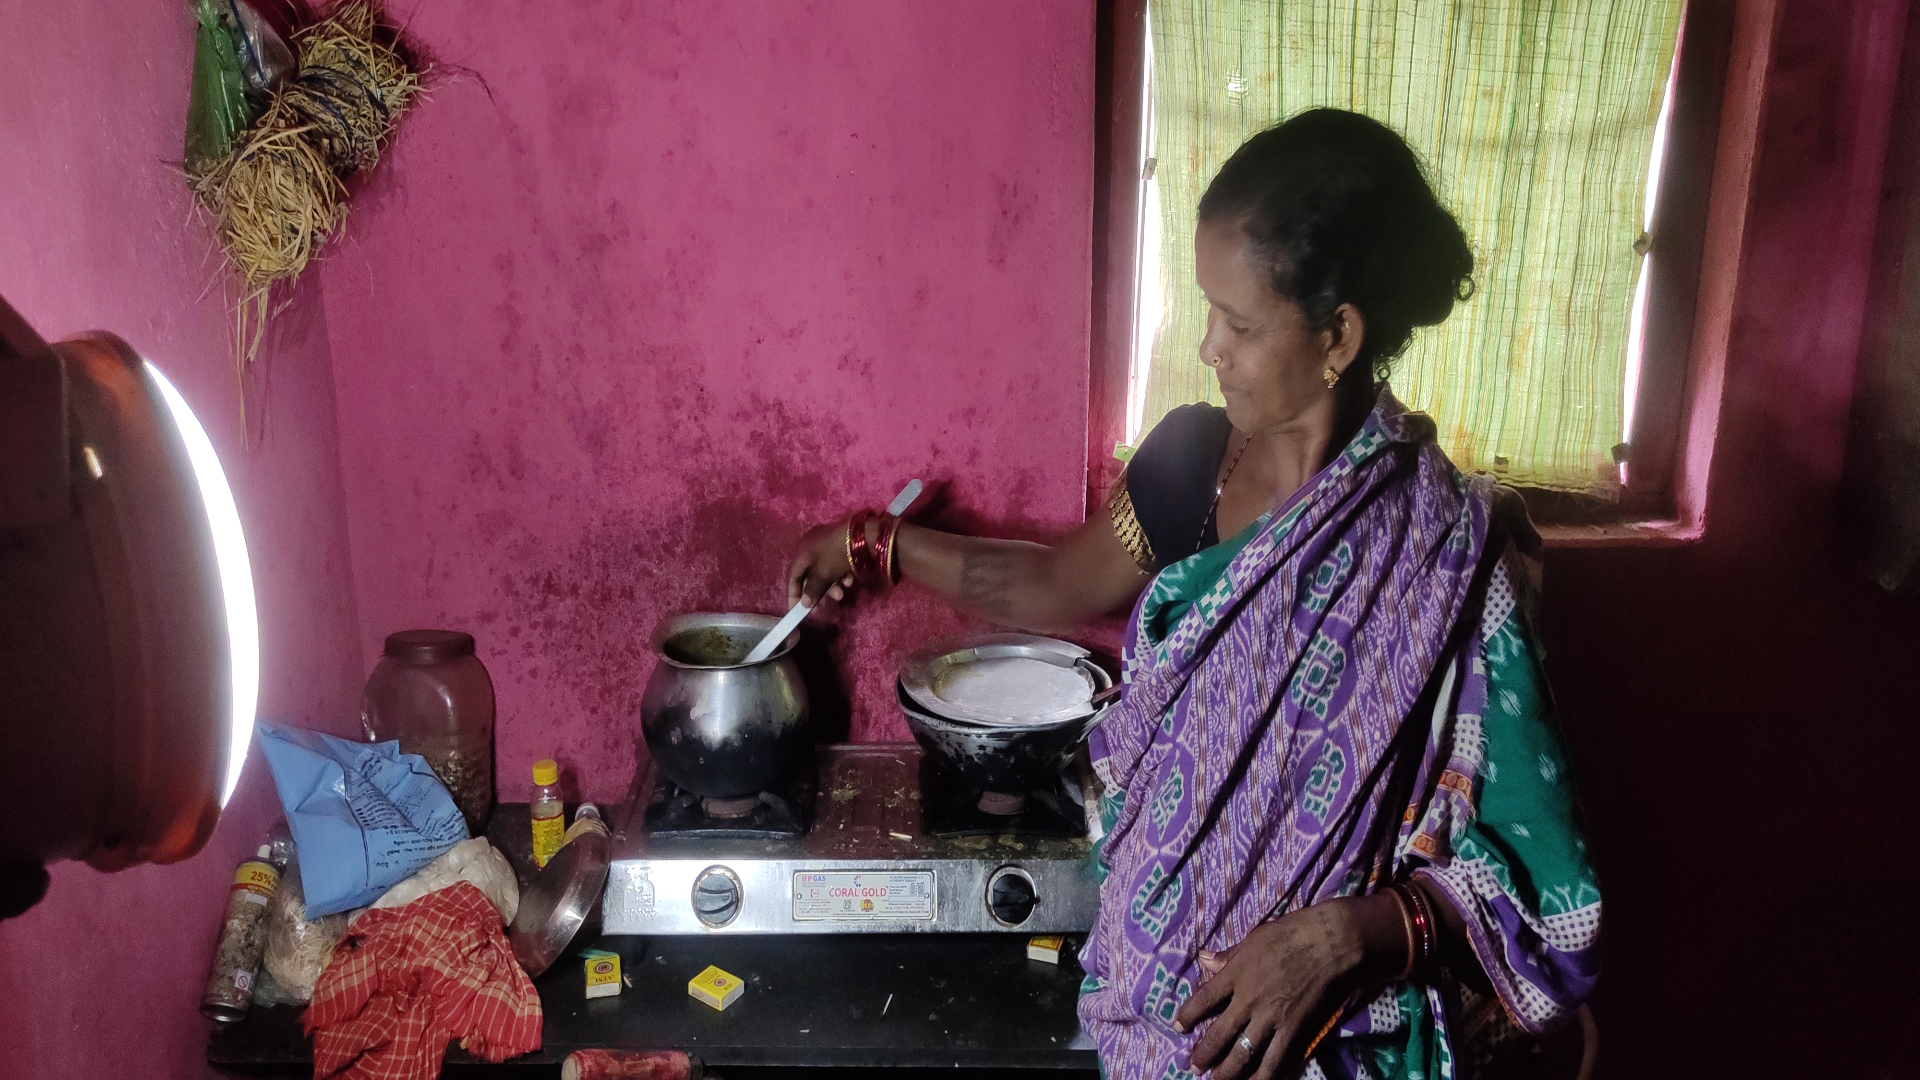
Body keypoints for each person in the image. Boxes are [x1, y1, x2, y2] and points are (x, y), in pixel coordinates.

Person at [786, 108, 1599, 1080]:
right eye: (1206, 307)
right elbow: (1048, 583)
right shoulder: (1192, 464)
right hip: (1153, 1013)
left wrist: (1345, 938)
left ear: (1337, 334)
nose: (1207, 345)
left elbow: (1551, 894)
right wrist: (876, 542)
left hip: (1349, 1046)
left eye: (1241, 323)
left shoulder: (1446, 552)